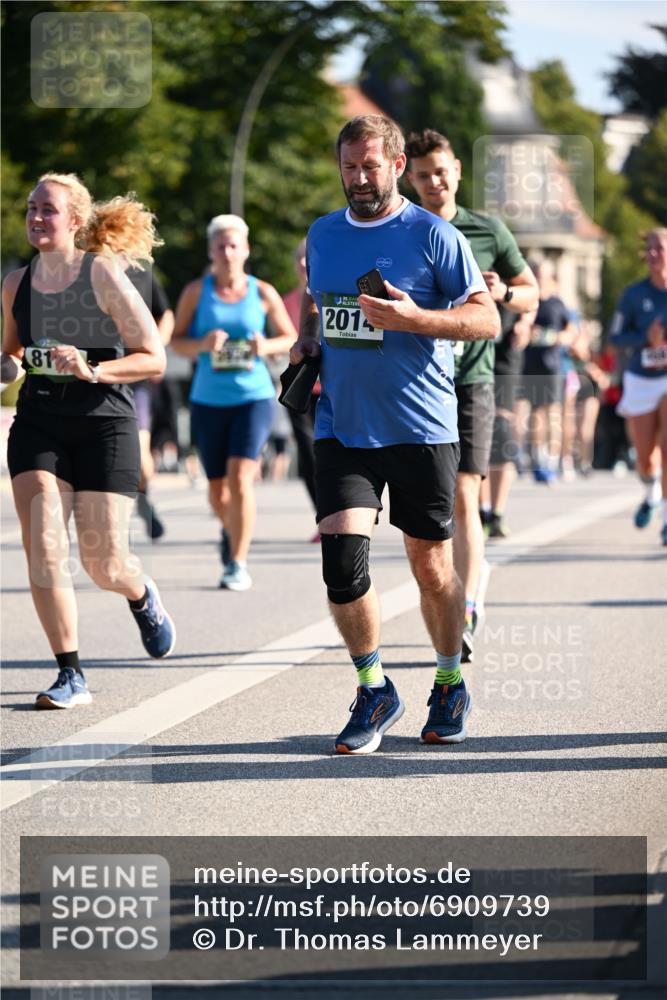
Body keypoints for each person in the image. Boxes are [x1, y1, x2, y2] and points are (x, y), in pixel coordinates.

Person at [291, 114, 499, 754]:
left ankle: (448, 679)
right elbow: (317, 298)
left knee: (431, 566)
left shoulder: (434, 236)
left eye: (370, 167)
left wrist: (416, 318)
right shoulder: (323, 233)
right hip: (344, 425)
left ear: (397, 165)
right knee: (342, 559)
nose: (358, 178)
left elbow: (485, 318)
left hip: (421, 424)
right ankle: (373, 686)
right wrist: (306, 341)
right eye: (349, 166)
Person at [0, 172, 176, 709]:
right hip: (38, 424)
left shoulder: (101, 273)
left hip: (104, 422)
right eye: (31, 207)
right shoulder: (16, 283)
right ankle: (70, 673)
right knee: (45, 548)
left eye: (47, 209)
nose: (35, 217)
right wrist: (4, 368)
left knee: (105, 565)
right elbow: (11, 354)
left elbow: (153, 356)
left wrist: (92, 367)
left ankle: (141, 594)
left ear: (75, 221)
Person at [405, 129, 538, 661]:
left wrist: (504, 292)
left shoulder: (486, 229)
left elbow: (531, 293)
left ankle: (467, 606)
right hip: (415, 383)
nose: (434, 182)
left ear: (457, 170)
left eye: (440, 171)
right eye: (422, 175)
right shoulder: (401, 231)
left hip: (470, 381)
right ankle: (453, 592)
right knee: (427, 506)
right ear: (408, 179)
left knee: (465, 494)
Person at [171, 214, 297, 589]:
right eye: (220, 245)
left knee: (242, 476)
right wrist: (202, 345)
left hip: (253, 397)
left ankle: (238, 563)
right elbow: (176, 341)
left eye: (233, 245)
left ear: (245, 250)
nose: (227, 252)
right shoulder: (196, 291)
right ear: (211, 250)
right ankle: (231, 529)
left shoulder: (262, 292)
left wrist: (265, 346)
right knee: (216, 489)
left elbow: (290, 337)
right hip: (208, 399)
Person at [610, 228, 667, 544]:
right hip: (641, 378)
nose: (655, 254)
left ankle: (666, 520)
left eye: (661, 248)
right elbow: (615, 339)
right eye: (651, 249)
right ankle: (651, 491)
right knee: (646, 458)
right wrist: (647, 339)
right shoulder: (633, 295)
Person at [127, 268, 174, 539]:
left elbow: (165, 315)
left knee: (143, 462)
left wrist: (156, 348)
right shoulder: (80, 270)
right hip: (94, 376)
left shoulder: (140, 273)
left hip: (135, 378)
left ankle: (144, 498)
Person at [520, 261, 576, 483]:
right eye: (536, 273)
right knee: (535, 415)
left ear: (551, 277)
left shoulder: (556, 303)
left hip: (552, 365)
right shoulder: (528, 302)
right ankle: (539, 459)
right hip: (530, 364)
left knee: (553, 413)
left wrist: (560, 338)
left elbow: (571, 329)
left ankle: (554, 460)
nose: (540, 278)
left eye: (543, 274)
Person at [282, 238, 321, 540]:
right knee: (308, 456)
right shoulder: (287, 302)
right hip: (301, 388)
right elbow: (284, 339)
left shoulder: (329, 294)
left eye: (309, 259)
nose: (304, 265)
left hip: (331, 388)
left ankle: (345, 509)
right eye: (300, 259)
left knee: (334, 453)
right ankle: (323, 517)